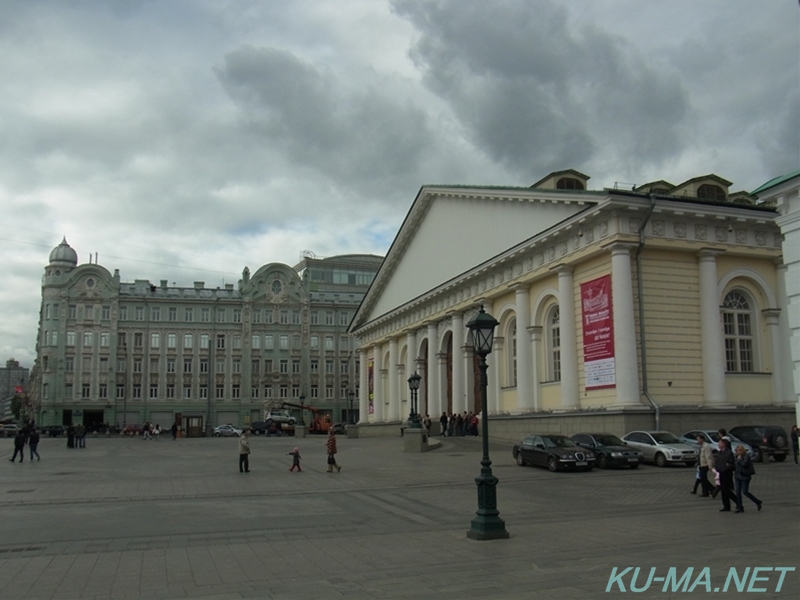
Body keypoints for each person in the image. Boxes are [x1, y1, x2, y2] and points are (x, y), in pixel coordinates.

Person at [733, 444, 762, 513]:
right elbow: (735, 466)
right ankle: (740, 507)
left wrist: (739, 460)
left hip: (745, 476)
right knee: (737, 492)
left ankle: (757, 501)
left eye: (739, 450)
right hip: (737, 476)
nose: (738, 452)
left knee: (745, 492)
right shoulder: (736, 457)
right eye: (737, 451)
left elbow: (744, 464)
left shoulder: (746, 456)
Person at [714, 437, 735, 512]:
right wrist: (717, 468)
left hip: (727, 473)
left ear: (724, 444)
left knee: (726, 489)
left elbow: (731, 463)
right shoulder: (719, 452)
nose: (718, 444)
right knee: (723, 491)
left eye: (720, 443)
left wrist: (727, 466)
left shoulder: (729, 452)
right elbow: (717, 461)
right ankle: (726, 506)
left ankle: (737, 501)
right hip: (721, 472)